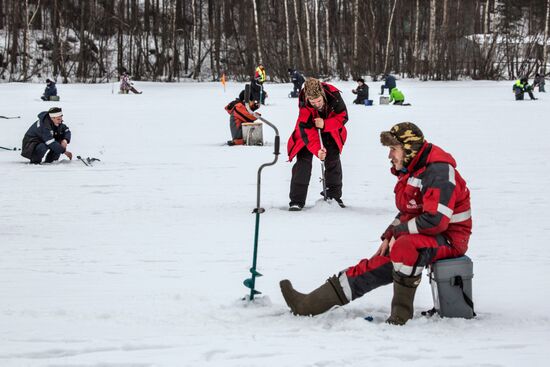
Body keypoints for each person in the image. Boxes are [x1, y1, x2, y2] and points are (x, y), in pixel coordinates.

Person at [280, 122, 472, 325]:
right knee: (378, 261)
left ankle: (400, 316)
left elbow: (437, 221)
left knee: (405, 247)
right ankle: (309, 304)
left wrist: (399, 234)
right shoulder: (414, 168)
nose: (390, 156)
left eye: (393, 149)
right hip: (425, 236)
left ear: (409, 149)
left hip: (449, 241)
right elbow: (410, 211)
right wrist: (390, 234)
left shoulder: (438, 172)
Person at [286, 78, 348, 211]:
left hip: (331, 130)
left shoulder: (334, 96)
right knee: (303, 163)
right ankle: (297, 200)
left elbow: (343, 117)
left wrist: (325, 124)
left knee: (333, 160)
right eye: (312, 102)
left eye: (319, 101)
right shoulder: (304, 104)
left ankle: (334, 196)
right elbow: (308, 132)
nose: (316, 105)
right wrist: (317, 151)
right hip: (307, 133)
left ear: (323, 95)